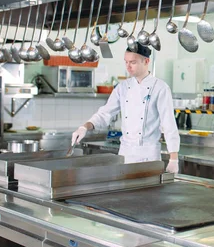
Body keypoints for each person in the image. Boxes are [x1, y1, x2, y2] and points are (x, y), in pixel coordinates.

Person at [72, 44, 180, 172]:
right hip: (125, 154)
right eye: (126, 62)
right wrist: (84, 127)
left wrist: (174, 158)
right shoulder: (122, 87)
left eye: (133, 62)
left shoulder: (160, 88)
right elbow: (105, 113)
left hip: (148, 156)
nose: (128, 66)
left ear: (146, 61)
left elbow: (169, 124)